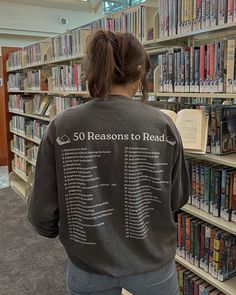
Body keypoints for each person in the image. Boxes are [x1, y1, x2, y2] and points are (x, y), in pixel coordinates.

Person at [28, 30, 190, 295]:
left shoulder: (62, 125)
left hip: (89, 266)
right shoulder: (162, 124)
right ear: (139, 71)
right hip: (153, 267)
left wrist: (50, 230)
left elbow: (41, 211)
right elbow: (177, 197)